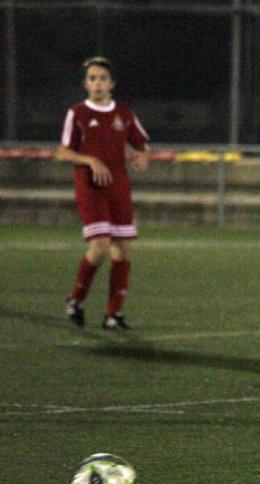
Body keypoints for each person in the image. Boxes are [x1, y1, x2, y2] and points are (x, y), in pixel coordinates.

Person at [57, 56, 150, 330]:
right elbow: (62, 152)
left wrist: (143, 156)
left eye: (102, 79)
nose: (97, 83)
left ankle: (113, 315)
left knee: (122, 249)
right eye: (92, 78)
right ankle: (76, 299)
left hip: (118, 185)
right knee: (99, 246)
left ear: (112, 84)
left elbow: (143, 144)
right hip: (90, 186)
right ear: (86, 84)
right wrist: (89, 160)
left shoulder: (124, 112)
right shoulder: (78, 113)